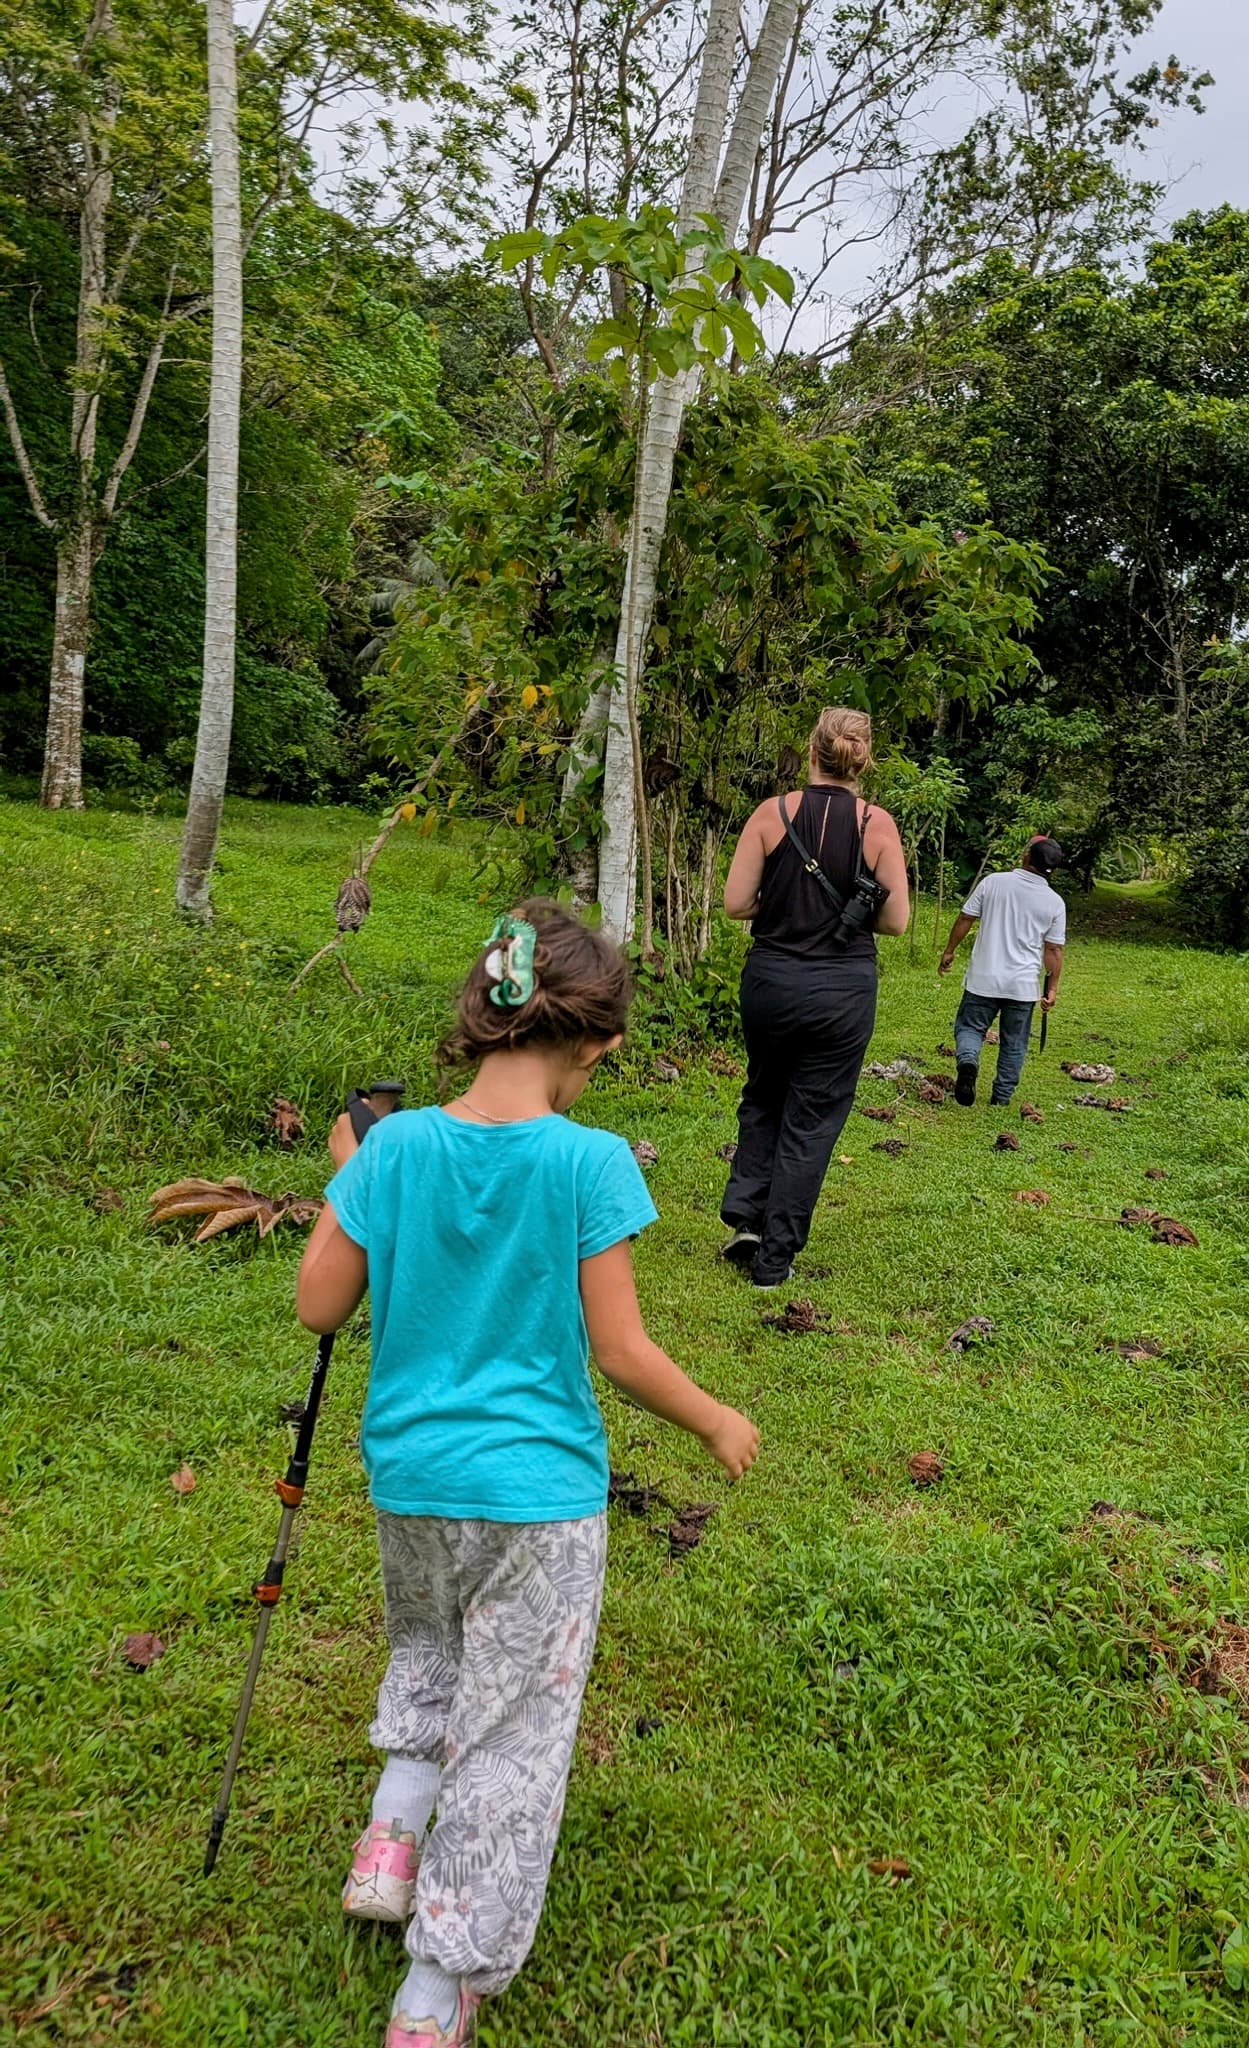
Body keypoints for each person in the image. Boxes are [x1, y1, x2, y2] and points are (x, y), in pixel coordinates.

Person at [295, 902, 760, 2048]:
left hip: (410, 1478)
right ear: (594, 1043)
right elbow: (621, 1350)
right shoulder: (590, 1159)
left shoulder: (392, 1148)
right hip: (540, 1500)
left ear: (481, 1015)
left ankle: (391, 1841)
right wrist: (713, 1419)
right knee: (513, 1733)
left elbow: (317, 1304)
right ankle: (434, 1989)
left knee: (430, 1647)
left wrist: (349, 1177)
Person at [718, 707, 909, 1289]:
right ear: (863, 760)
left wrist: (780, 908)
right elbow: (897, 921)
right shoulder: (877, 826)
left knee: (764, 1095)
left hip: (771, 982)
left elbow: (735, 902)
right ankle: (775, 1260)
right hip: (841, 993)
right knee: (813, 1118)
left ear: (811, 753)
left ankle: (747, 1218)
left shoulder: (769, 815)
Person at [938, 834, 1067, 1108]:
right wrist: (1052, 988)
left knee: (970, 1027)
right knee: (1015, 1042)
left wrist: (950, 951)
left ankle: (969, 1061)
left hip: (983, 978)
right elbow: (1054, 950)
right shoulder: (1055, 902)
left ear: (1027, 857)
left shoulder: (994, 882)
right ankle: (1001, 1098)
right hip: (1022, 986)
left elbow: (965, 917)